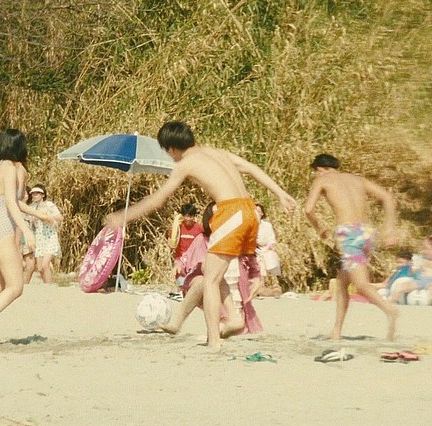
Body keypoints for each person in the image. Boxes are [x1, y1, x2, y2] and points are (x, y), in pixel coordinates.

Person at [105, 121, 295, 350]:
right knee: (213, 271)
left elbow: (158, 199)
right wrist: (280, 193)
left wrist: (124, 216)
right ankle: (232, 320)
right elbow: (252, 168)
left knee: (210, 280)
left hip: (231, 212)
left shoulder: (186, 163)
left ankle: (214, 340)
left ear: (171, 148)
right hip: (250, 212)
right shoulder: (217, 153)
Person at [304, 153, 399, 341]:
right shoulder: (357, 179)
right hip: (366, 233)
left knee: (360, 284)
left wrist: (319, 228)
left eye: (316, 171)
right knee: (342, 283)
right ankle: (336, 331)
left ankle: (389, 310)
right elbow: (387, 197)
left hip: (348, 235)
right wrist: (389, 228)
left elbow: (308, 209)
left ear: (320, 169)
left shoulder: (322, 180)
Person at [0, 129, 38, 347]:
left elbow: (6, 200)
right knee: (16, 287)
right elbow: (12, 203)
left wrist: (40, 215)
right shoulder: (11, 168)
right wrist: (26, 230)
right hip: (2, 232)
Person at [161, 202, 262, 336]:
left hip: (229, 291)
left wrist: (256, 276)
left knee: (231, 324)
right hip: (204, 285)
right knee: (207, 277)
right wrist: (178, 264)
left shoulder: (235, 240)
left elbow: (251, 258)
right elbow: (189, 259)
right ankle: (177, 323)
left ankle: (227, 324)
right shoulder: (202, 239)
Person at [28, 184, 63, 284]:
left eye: (37, 193)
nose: (35, 195)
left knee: (45, 264)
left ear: (43, 195)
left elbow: (60, 217)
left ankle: (49, 286)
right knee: (40, 268)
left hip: (50, 237)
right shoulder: (32, 207)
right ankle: (46, 284)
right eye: (33, 194)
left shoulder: (49, 205)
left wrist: (47, 216)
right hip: (39, 238)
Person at [169, 203, 203, 285]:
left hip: (193, 261)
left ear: (194, 216)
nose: (188, 219)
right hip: (180, 260)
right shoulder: (178, 228)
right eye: (186, 216)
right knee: (180, 281)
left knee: (192, 283)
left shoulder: (199, 228)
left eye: (190, 216)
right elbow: (171, 243)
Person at [254, 203, 282, 297]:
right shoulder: (250, 225)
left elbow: (271, 239)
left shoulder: (267, 225)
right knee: (258, 260)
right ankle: (260, 286)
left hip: (266, 248)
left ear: (262, 213)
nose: (257, 213)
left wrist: (271, 246)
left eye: (259, 211)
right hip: (255, 250)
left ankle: (275, 284)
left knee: (270, 256)